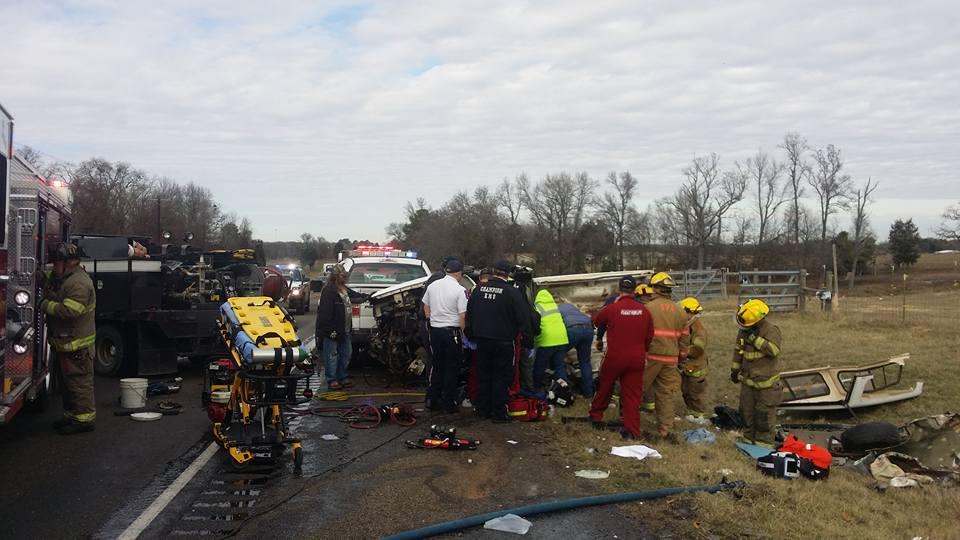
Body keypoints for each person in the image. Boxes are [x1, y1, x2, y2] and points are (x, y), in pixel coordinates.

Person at [466, 259, 532, 422]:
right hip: (504, 340)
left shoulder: (478, 290)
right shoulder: (511, 292)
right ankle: (499, 412)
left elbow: (470, 314)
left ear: (494, 272)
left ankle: (483, 409)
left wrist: (470, 335)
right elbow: (523, 318)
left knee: (484, 374)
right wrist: (528, 341)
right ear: (508, 274)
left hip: (482, 341)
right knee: (501, 377)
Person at [589, 276, 654, 439]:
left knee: (605, 385)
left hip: (615, 356)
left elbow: (597, 321)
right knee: (632, 395)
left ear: (619, 289)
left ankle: (596, 415)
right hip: (637, 358)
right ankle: (632, 430)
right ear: (635, 291)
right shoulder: (645, 311)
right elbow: (649, 335)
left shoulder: (613, 308)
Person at [42, 243, 97, 435]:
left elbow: (70, 311)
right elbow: (53, 283)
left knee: (79, 383)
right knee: (67, 384)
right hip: (65, 344)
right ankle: (71, 415)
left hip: (77, 347)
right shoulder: (65, 278)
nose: (53, 267)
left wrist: (45, 305)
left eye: (55, 263)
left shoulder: (78, 283)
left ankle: (84, 420)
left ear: (67, 263)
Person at [641, 272, 687, 440]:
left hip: (651, 356)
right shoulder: (680, 310)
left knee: (637, 388)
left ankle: (627, 421)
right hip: (671, 358)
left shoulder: (648, 308)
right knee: (666, 393)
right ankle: (665, 429)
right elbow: (684, 337)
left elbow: (641, 334)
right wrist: (682, 357)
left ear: (657, 289)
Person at [731, 299, 783, 445]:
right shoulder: (744, 331)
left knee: (763, 416)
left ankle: (763, 444)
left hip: (766, 385)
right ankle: (748, 440)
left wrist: (755, 340)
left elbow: (774, 350)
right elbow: (738, 352)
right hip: (748, 382)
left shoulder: (771, 330)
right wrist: (734, 370)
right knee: (746, 412)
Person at [421, 258, 469, 413]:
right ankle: (448, 402)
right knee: (452, 368)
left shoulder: (433, 285)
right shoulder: (459, 290)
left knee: (437, 366)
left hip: (435, 332)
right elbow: (462, 316)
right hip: (452, 333)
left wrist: (431, 320)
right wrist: (464, 335)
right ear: (459, 273)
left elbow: (425, 307)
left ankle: (432, 399)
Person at [315, 265, 365, 390]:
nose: (345, 278)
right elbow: (324, 313)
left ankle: (342, 376)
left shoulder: (344, 289)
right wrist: (329, 330)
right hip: (332, 330)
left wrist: (370, 297)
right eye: (343, 275)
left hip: (345, 329)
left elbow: (357, 296)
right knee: (331, 355)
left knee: (346, 353)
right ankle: (332, 379)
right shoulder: (329, 291)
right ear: (335, 276)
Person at [532, 288, 569, 392]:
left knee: (540, 366)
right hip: (562, 339)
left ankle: (537, 388)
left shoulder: (537, 307)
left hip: (547, 341)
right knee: (559, 366)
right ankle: (563, 390)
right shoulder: (555, 306)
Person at [678, 297, 709, 418]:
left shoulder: (698, 328)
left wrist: (683, 351)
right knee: (686, 391)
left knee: (695, 394)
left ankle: (699, 416)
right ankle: (691, 413)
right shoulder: (687, 324)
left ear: (690, 312)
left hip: (697, 369)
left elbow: (698, 348)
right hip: (687, 367)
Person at [557, 300, 595, 397]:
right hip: (588, 328)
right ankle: (588, 393)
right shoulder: (572, 307)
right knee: (585, 362)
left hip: (572, 329)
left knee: (558, 358)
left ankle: (564, 393)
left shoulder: (555, 309)